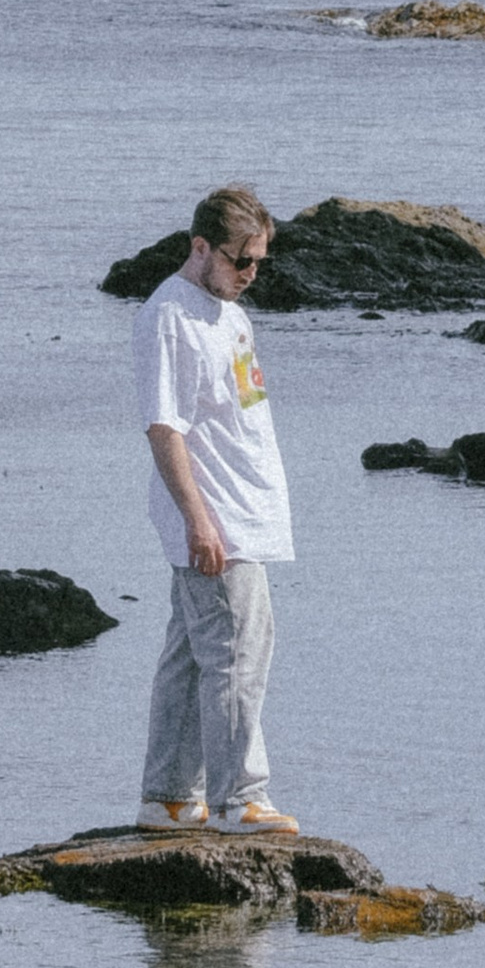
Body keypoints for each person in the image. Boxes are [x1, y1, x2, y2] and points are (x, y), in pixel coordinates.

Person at [134, 182, 298, 835]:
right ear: (200, 247)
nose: (250, 275)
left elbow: (245, 417)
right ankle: (240, 799)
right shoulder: (170, 316)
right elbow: (164, 429)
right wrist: (199, 520)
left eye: (259, 262)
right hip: (215, 519)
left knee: (193, 652)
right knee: (238, 648)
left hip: (248, 512)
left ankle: (169, 797)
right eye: (240, 260)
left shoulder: (231, 314)